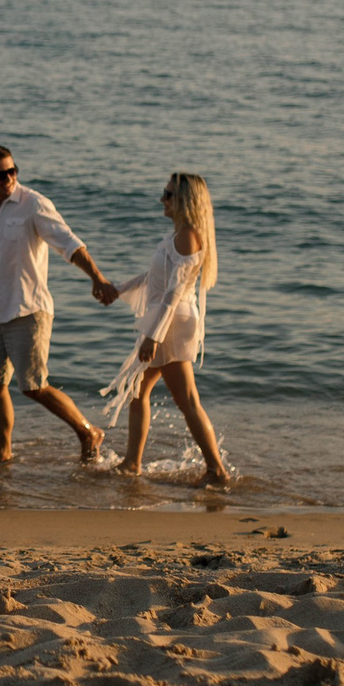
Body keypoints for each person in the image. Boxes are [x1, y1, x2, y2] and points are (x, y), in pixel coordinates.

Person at [0, 145, 120, 462]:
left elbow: (69, 243)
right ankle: (2, 453)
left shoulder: (34, 204)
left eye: (13, 171)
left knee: (34, 386)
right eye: (0, 174)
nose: (8, 178)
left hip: (30, 310)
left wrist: (97, 277)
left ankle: (88, 431)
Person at [102, 172, 233, 484]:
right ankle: (132, 463)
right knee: (140, 391)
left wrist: (152, 336)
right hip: (166, 319)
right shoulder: (178, 235)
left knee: (186, 399)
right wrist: (117, 289)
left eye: (169, 194)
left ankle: (216, 470)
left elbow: (173, 293)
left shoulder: (187, 237)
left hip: (171, 323)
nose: (162, 199)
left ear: (185, 201)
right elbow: (154, 278)